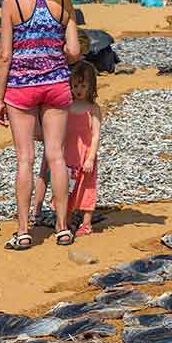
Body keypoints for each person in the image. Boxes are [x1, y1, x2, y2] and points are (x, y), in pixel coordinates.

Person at [0, 0, 81, 250]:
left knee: (25, 159)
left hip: (21, 87)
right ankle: (62, 228)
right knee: (56, 156)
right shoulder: (64, 1)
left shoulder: (11, 3)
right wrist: (55, 48)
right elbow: (74, 51)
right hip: (56, 85)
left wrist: (0, 98)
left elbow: (5, 55)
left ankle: (23, 230)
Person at [62, 61, 102, 236]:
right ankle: (66, 220)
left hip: (85, 155)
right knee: (67, 188)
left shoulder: (93, 109)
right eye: (76, 85)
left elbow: (95, 135)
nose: (79, 89)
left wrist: (91, 157)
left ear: (91, 87)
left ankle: (86, 223)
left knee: (87, 187)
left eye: (83, 85)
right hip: (68, 156)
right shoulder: (66, 107)